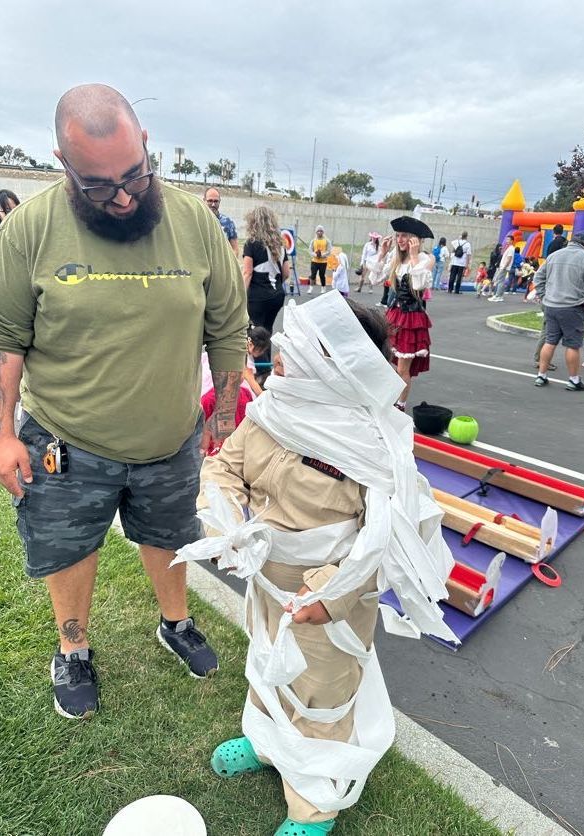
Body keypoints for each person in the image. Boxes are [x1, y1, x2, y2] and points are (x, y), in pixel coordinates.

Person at [0, 84, 248, 720]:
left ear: (146, 145)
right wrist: (2, 434)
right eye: (99, 185)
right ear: (63, 163)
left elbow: (227, 326)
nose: (124, 195)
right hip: (67, 440)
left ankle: (176, 622)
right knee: (71, 545)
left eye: (135, 174)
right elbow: (4, 342)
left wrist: (221, 417)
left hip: (170, 438)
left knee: (171, 534)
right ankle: (73, 648)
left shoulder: (193, 221)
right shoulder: (28, 229)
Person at [178, 292, 456, 836]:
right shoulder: (271, 412)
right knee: (265, 669)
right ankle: (264, 742)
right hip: (264, 586)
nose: (276, 354)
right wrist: (231, 525)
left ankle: (313, 806)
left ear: (333, 363)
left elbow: (380, 539)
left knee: (319, 697)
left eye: (294, 346)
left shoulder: (374, 444)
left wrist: (329, 596)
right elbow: (224, 469)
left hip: (325, 607)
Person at [370, 216, 434, 411]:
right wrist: (382, 253)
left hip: (411, 319)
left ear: (415, 239)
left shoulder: (425, 259)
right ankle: (390, 396)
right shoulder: (395, 259)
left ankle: (400, 404)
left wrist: (414, 257)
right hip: (394, 315)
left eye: (404, 236)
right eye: (398, 235)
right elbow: (375, 278)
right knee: (386, 360)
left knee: (402, 369)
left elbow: (419, 285)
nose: (400, 239)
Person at [533, 231, 584, 391]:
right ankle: (573, 380)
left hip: (551, 305)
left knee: (550, 341)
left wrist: (544, 296)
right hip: (572, 306)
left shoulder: (554, 255)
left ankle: (541, 375)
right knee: (573, 344)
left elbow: (538, 278)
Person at [242, 206, 290, 344]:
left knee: (255, 335)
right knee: (267, 332)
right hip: (277, 295)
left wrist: (241, 296)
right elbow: (286, 273)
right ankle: (266, 365)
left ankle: (260, 366)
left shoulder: (251, 243)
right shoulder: (280, 244)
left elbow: (247, 272)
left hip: (258, 297)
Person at [532, 226, 570, 365]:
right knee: (549, 331)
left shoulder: (552, 249)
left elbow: (541, 275)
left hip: (550, 294)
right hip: (552, 296)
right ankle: (541, 359)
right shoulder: (563, 249)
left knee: (548, 330)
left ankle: (541, 358)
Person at [203, 187, 238, 256]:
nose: (213, 204)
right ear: (204, 200)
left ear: (219, 202)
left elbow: (235, 249)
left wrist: (229, 265)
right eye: (210, 201)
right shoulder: (198, 220)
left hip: (222, 266)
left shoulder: (228, 223)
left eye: (216, 201)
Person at [488, 234, 515, 301]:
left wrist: (504, 267)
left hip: (504, 267)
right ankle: (500, 296)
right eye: (507, 239)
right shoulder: (509, 248)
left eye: (508, 240)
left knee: (500, 281)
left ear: (512, 241)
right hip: (503, 266)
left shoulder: (511, 249)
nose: (507, 241)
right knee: (501, 281)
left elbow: (509, 259)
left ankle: (497, 296)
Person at [307, 225, 332, 294]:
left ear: (323, 232)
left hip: (323, 262)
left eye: (321, 231)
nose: (319, 232)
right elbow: (310, 250)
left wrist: (322, 255)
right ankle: (310, 288)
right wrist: (315, 255)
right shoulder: (313, 241)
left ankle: (323, 288)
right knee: (313, 275)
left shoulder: (327, 241)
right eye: (318, 231)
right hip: (314, 261)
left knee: (322, 275)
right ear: (316, 232)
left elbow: (329, 250)